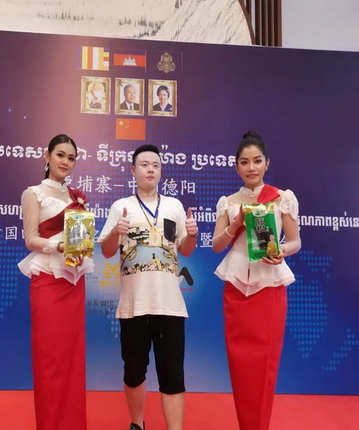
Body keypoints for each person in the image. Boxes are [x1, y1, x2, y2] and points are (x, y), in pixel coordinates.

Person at [99, 144, 198, 430]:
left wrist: (192, 235)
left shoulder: (174, 206)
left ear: (160, 170)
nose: (150, 170)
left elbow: (185, 249)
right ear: (133, 170)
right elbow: (106, 251)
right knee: (133, 372)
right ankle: (137, 424)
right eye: (144, 165)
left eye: (155, 165)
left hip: (170, 305)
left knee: (173, 374)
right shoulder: (121, 207)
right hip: (134, 306)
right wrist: (116, 233)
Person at [211, 130, 301, 430]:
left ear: (267, 163)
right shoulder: (228, 202)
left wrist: (282, 251)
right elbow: (217, 246)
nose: (251, 167)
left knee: (265, 364)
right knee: (241, 365)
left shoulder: (281, 198)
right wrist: (235, 224)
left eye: (257, 161)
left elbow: (295, 241)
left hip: (270, 287)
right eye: (245, 162)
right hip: (236, 289)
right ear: (236, 166)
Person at [18, 134, 93, 430]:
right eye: (60, 155)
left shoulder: (77, 197)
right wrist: (57, 246)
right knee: (49, 359)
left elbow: (81, 237)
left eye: (71, 158)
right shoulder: (33, 193)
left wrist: (81, 246)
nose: (65, 162)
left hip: (73, 282)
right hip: (47, 281)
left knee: (72, 359)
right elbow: (30, 239)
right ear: (46, 155)